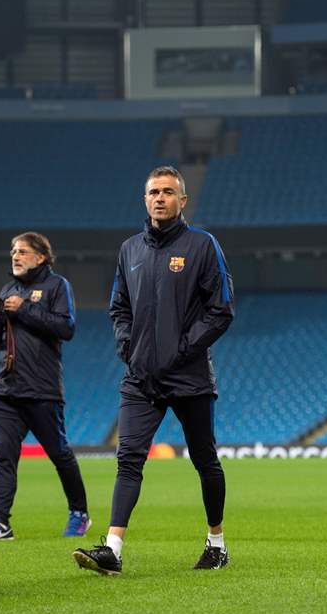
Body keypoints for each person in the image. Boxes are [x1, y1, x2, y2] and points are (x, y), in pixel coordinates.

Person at [73, 165, 235, 574]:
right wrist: (128, 346)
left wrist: (181, 350)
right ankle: (112, 550)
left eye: (167, 192)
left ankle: (216, 543)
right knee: (128, 458)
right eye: (152, 192)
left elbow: (221, 310)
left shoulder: (202, 245)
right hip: (141, 377)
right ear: (144, 200)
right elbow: (118, 307)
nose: (159, 198)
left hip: (190, 376)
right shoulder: (130, 250)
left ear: (183, 200)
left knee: (204, 460)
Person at [0, 231, 91, 541]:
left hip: (42, 390)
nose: (15, 256)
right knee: (4, 455)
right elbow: (3, 343)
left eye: (22, 251)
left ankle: (79, 513)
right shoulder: (8, 289)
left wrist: (24, 309)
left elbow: (66, 328)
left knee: (59, 454)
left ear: (41, 257)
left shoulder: (57, 286)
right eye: (13, 251)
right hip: (6, 392)